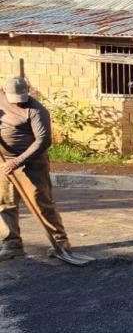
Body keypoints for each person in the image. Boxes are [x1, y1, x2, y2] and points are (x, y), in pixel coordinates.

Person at [0, 77, 70, 260]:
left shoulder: (37, 111)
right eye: (14, 97)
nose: (18, 101)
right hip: (4, 162)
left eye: (22, 96)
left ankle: (60, 242)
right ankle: (12, 244)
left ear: (28, 90)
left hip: (32, 162)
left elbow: (43, 141)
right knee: (5, 203)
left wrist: (17, 161)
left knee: (41, 202)